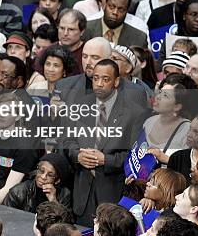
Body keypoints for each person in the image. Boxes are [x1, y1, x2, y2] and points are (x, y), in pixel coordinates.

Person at [62, 59, 147, 226]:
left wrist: (105, 160)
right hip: (82, 191)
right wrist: (77, 155)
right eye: (95, 78)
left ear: (116, 81)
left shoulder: (134, 113)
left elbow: (135, 156)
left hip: (113, 192)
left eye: (105, 79)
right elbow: (66, 141)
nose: (99, 84)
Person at [2, 153, 72, 213]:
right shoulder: (18, 191)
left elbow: (65, 224)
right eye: (41, 171)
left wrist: (53, 201)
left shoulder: (64, 194)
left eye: (50, 175)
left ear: (57, 180)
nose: (43, 177)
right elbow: (6, 216)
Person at [83, 0, 149, 48]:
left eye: (121, 10)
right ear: (104, 6)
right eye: (111, 7)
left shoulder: (139, 37)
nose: (115, 12)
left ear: (127, 12)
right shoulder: (85, 29)